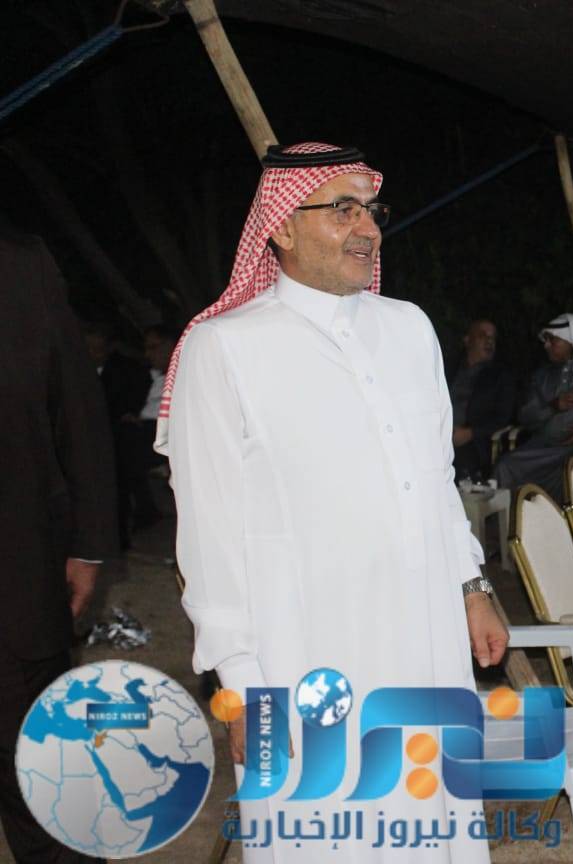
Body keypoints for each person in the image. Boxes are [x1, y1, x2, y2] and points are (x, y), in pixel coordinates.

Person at [159, 142, 504, 864]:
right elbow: (208, 537)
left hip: (427, 640)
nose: (367, 229)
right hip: (304, 652)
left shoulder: (407, 327)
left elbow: (435, 479)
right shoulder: (223, 349)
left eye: (371, 211)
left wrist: (472, 588)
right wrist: (240, 684)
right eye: (342, 210)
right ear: (282, 226)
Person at [1, 231, 116, 864]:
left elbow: (77, 407)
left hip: (16, 572)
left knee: (39, 774)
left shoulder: (21, 265)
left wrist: (90, 544)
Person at [494, 313, 573, 500]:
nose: (546, 345)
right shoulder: (542, 376)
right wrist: (552, 406)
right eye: (546, 340)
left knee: (571, 473)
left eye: (552, 340)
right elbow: (525, 417)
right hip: (545, 448)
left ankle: (560, 518)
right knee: (505, 466)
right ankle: (512, 517)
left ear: (571, 341)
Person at [83, 322, 152, 548]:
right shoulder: (77, 369)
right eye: (89, 349)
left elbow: (132, 394)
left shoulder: (125, 369)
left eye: (98, 349)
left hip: (116, 436)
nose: (93, 354)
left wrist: (130, 411)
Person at [116, 325, 177, 534]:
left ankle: (143, 509)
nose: (148, 354)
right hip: (144, 429)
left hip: (167, 431)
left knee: (125, 443)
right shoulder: (148, 375)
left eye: (154, 347)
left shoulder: (185, 374)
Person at [447, 319, 515, 481]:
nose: (489, 341)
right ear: (467, 340)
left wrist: (471, 432)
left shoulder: (500, 376)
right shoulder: (449, 367)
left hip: (473, 441)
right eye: (483, 336)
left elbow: (504, 417)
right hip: (438, 432)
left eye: (493, 338)